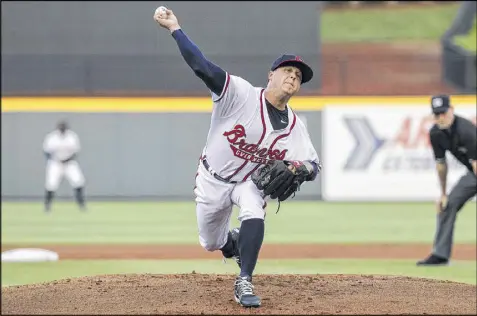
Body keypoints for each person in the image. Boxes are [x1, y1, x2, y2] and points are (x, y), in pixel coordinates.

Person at [154, 7, 322, 308]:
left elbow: (313, 165)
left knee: (255, 207)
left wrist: (298, 167)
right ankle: (232, 245)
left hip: (249, 182)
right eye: (288, 71)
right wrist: (175, 29)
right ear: (271, 75)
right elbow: (203, 67)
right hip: (212, 179)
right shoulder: (241, 94)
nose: (293, 78)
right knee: (210, 242)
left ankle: (244, 279)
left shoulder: (296, 126)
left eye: (298, 76)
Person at [417, 95, 477, 266]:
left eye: (443, 113)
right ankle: (440, 255)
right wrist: (443, 194)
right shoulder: (436, 133)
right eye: (437, 114)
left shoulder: (466, 130)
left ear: (451, 110)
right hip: (472, 174)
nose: (440, 117)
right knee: (447, 205)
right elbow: (441, 165)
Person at [43, 120, 86, 212]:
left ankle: (81, 204)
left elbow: (75, 152)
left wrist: (67, 160)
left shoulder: (72, 137)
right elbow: (46, 152)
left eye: (64, 128)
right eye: (61, 128)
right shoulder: (52, 137)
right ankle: (47, 206)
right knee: (51, 184)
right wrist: (55, 159)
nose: (62, 129)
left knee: (78, 181)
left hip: (69, 163)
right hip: (55, 163)